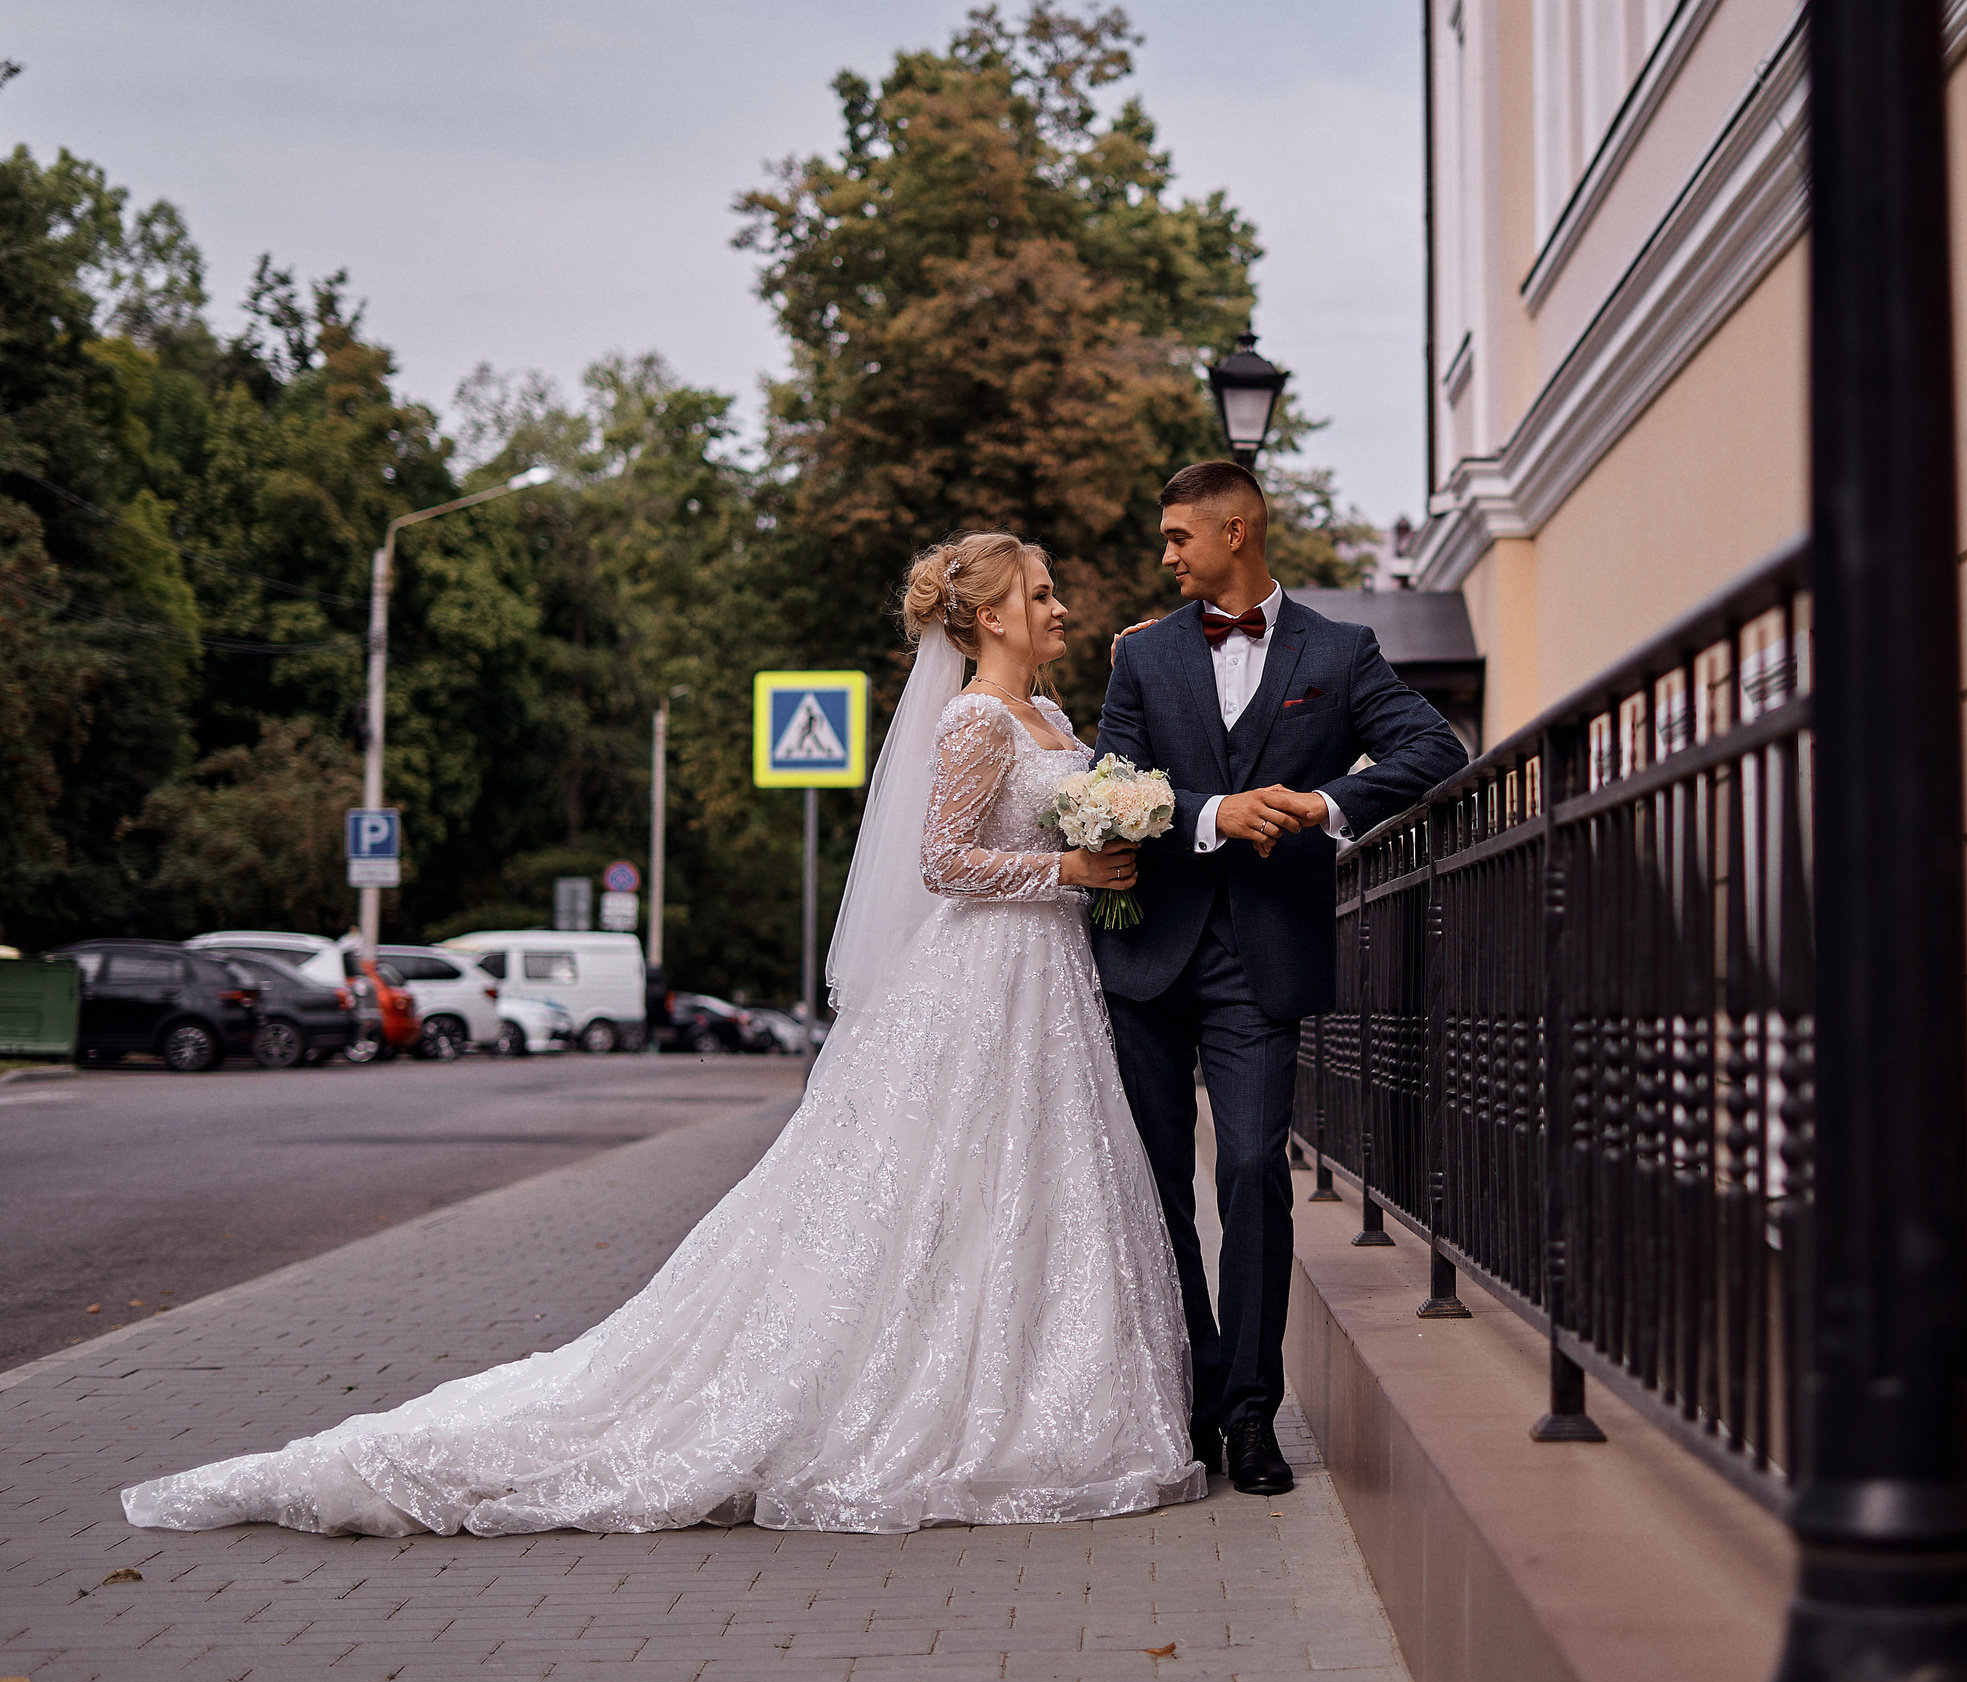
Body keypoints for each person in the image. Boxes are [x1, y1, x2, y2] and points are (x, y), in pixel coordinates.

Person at [121, 532, 1205, 1538]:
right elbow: (942, 864)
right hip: (979, 984)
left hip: (1049, 986)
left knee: (1025, 1189)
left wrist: (1112, 847)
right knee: (928, 1191)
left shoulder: (1056, 722)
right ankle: (922, 1404)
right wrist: (1068, 867)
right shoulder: (970, 720)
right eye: (1042, 593)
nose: (1061, 606)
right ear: (989, 619)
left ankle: (1028, 1396)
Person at [1095, 461, 1469, 1498]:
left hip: (1260, 960)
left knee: (1253, 1171)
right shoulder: (1140, 655)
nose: (1166, 555)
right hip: (1147, 954)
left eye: (1179, 536)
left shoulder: (1339, 652)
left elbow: (1433, 746)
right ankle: (1195, 1390)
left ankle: (1254, 1413)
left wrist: (1319, 802)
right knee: (1153, 1186)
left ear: (1236, 530)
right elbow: (1108, 783)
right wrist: (1213, 815)